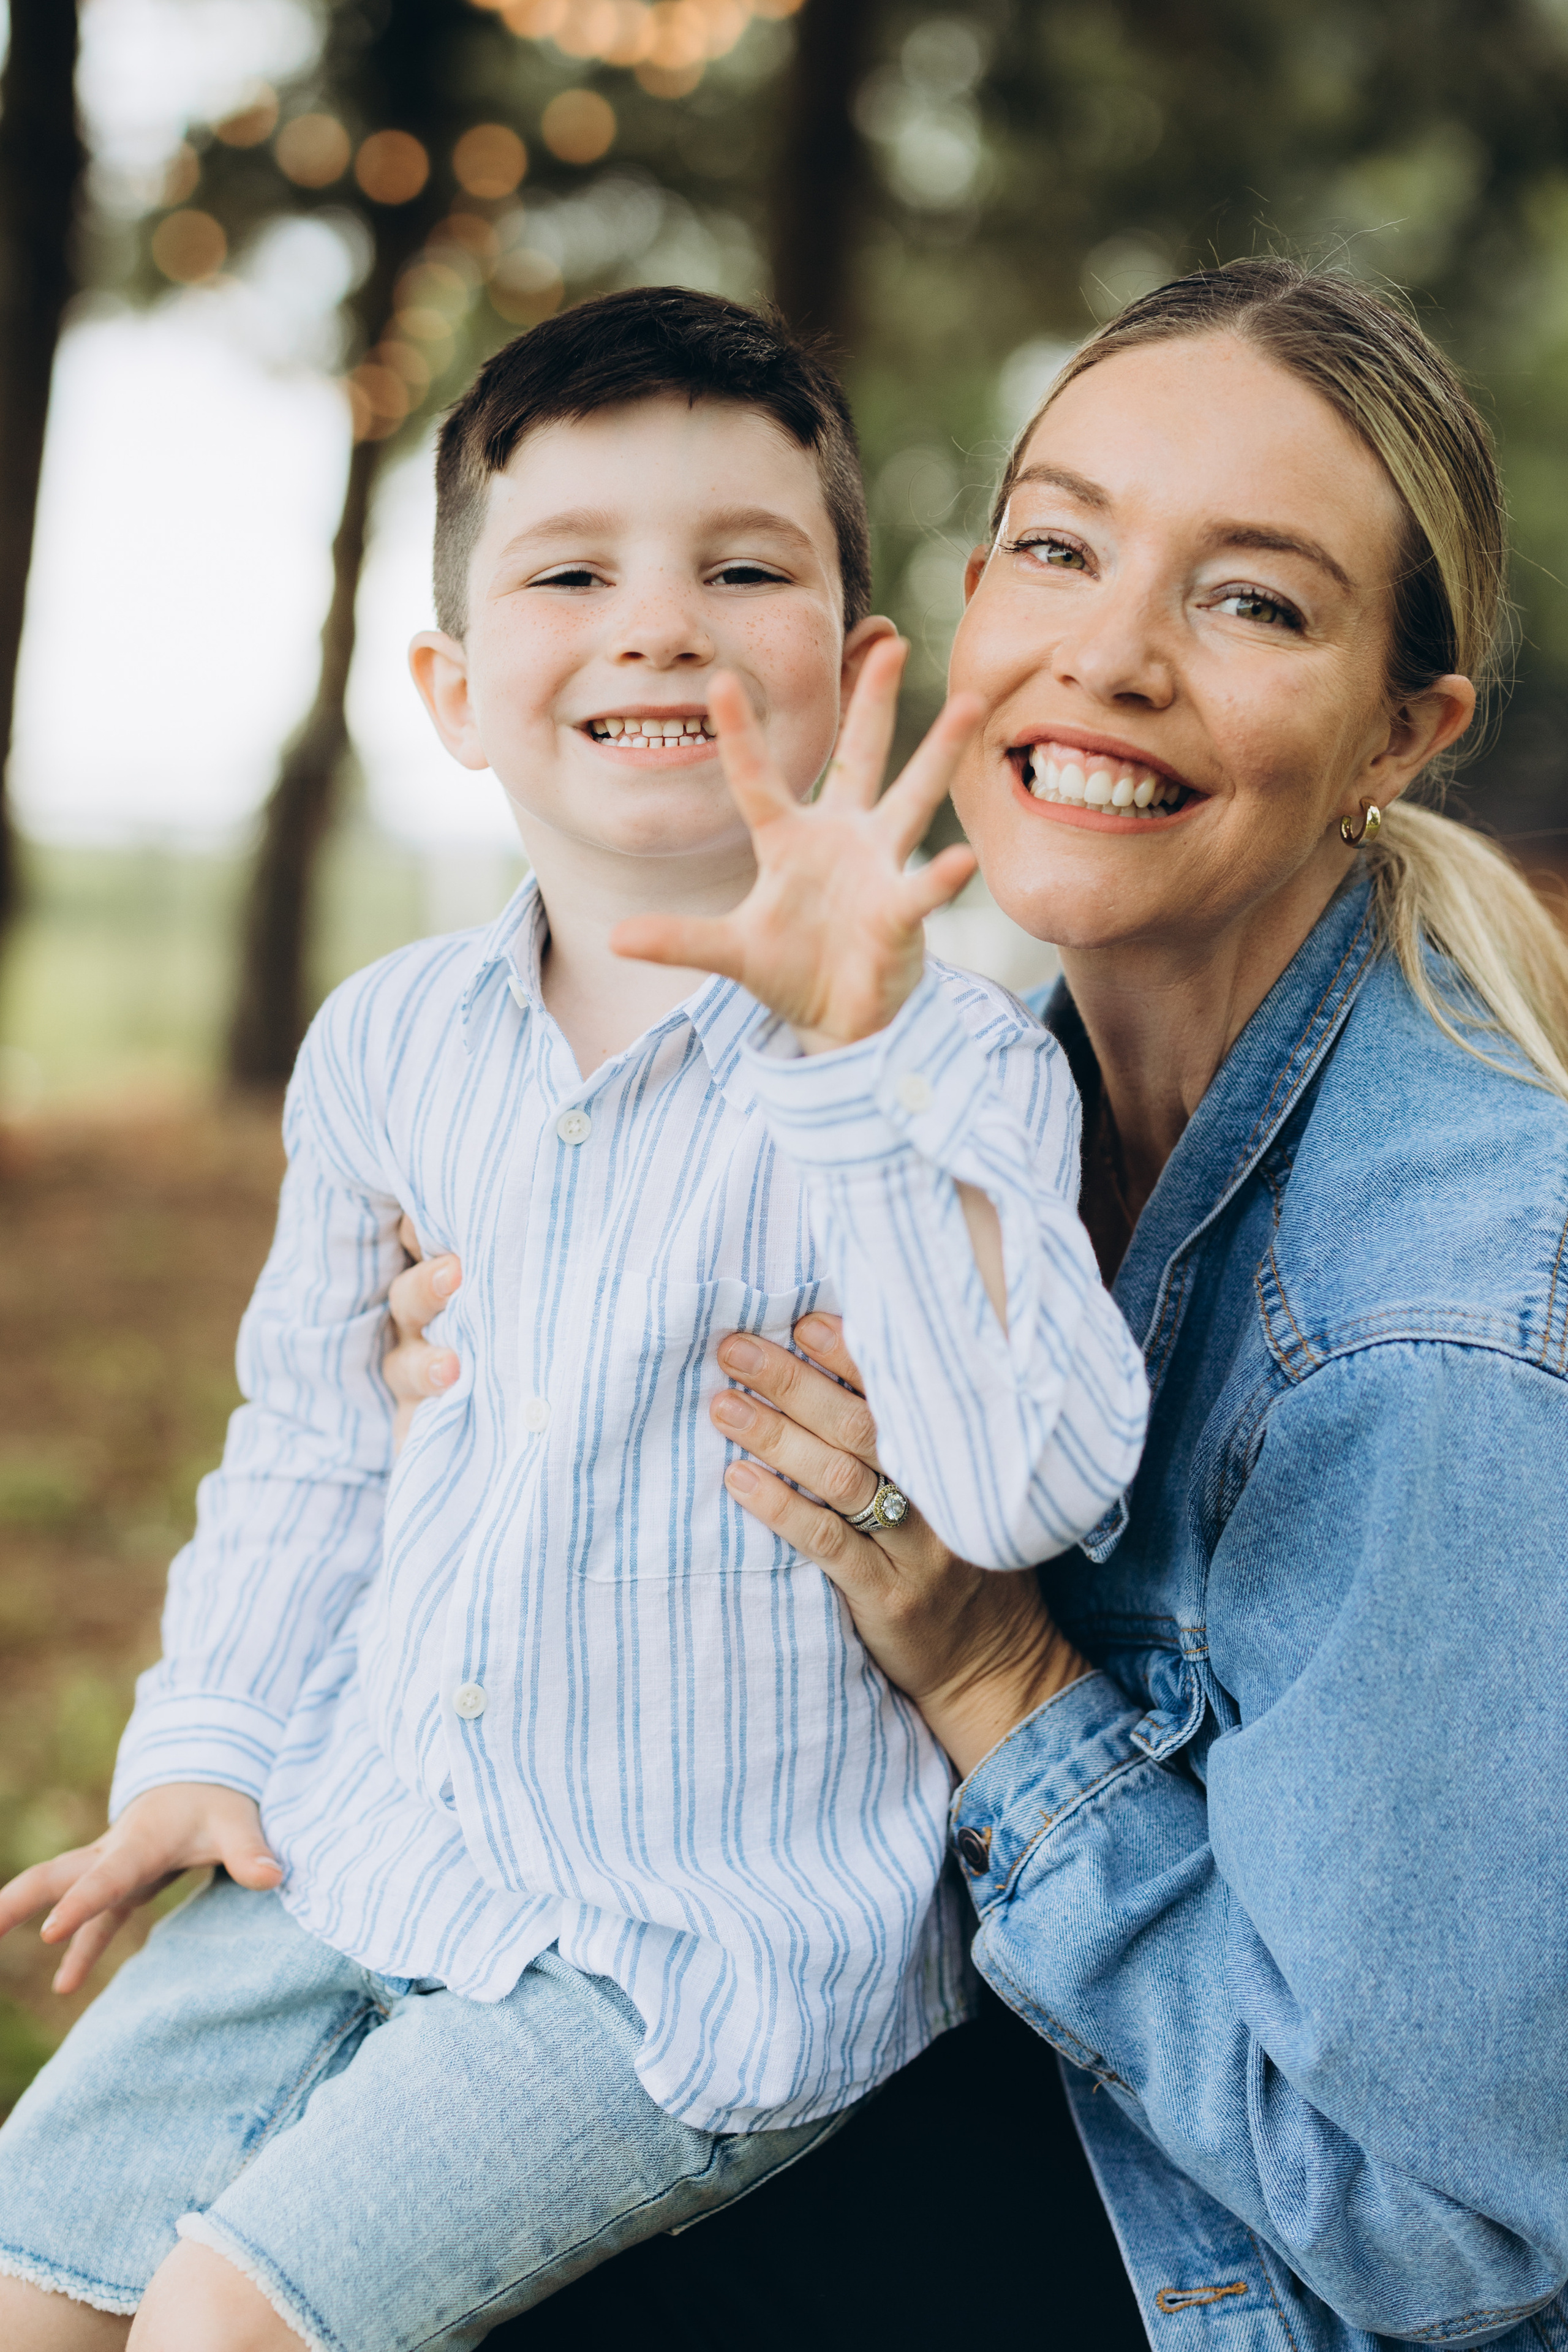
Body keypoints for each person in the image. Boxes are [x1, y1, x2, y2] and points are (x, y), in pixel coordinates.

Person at [393, 257, 1568, 2351]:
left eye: (1256, 601)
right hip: (957, 2035)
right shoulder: (983, 1089)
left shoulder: (1429, 1339)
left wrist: (993, 1678)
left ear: (1410, 731)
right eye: (1061, 547)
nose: (1107, 658)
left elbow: (1449, 2238)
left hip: (1257, 2268)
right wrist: (501, 1355)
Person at [0, 287, 1148, 2351]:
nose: (660, 623)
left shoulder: (947, 1070)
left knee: (216, 2325)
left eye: (742, 568)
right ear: (449, 684)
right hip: (371, 1845)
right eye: (572, 571)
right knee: (31, 2269)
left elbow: (1030, 1481)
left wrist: (841, 1059)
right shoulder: (390, 1049)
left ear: (857, 665)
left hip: (682, 1944)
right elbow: (311, 1435)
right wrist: (208, 1740)